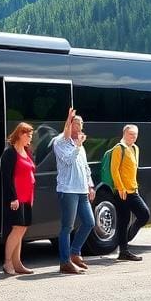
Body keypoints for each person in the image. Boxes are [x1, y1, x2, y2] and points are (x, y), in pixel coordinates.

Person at [52, 108, 96, 274]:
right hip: (68, 190)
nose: (79, 127)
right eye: (76, 123)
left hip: (82, 190)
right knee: (67, 227)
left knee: (89, 222)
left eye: (81, 124)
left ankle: (75, 252)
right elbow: (69, 161)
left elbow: (85, 167)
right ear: (68, 125)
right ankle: (65, 262)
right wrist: (77, 146)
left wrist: (90, 185)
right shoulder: (59, 142)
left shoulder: (80, 145)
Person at [0, 121, 36, 276]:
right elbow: (7, 178)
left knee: (22, 229)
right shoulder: (10, 153)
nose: (30, 137)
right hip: (16, 197)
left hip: (27, 196)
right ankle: (7, 262)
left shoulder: (27, 151)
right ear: (20, 134)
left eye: (31, 135)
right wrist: (13, 197)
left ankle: (17, 262)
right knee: (17, 229)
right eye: (28, 134)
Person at [110, 123, 150, 261]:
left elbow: (132, 171)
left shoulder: (135, 148)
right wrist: (120, 187)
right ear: (124, 134)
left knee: (138, 217)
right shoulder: (118, 149)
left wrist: (135, 187)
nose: (134, 137)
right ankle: (124, 249)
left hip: (133, 189)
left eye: (136, 134)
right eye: (131, 134)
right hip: (123, 191)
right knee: (132, 217)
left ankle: (124, 244)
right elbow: (114, 170)